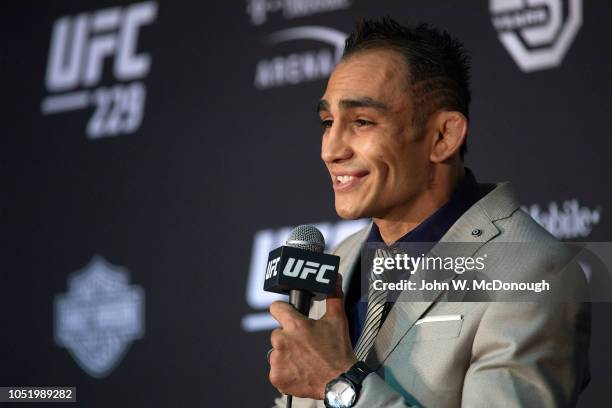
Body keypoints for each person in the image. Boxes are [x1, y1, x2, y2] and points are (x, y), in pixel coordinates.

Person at [268, 17, 590, 408]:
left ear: (443, 136)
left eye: (362, 122)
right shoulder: (337, 261)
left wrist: (340, 383)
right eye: (327, 122)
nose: (331, 149)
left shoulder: (535, 271)